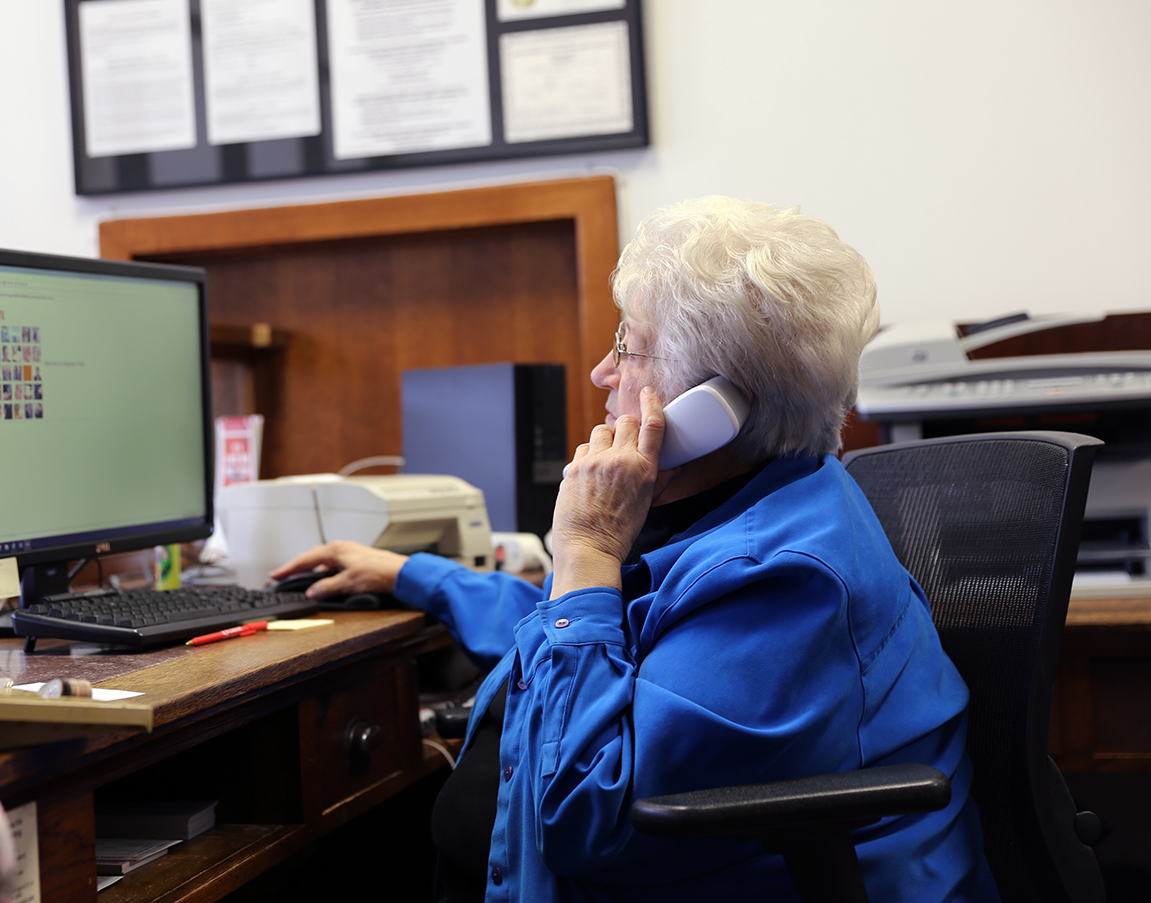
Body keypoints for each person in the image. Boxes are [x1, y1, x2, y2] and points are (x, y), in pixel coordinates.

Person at [271, 196, 999, 903]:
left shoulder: (781, 577)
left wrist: (586, 547)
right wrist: (418, 575)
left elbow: (591, 818)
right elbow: (610, 633)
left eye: (628, 345)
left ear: (712, 407)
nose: (602, 374)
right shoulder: (753, 500)